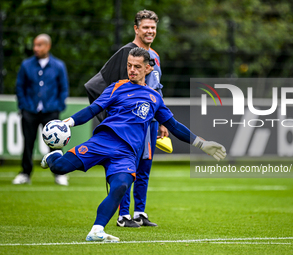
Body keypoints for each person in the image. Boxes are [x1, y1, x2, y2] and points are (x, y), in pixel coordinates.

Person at [40, 48, 226, 242]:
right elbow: (93, 109)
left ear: (148, 68)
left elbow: (174, 126)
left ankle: (97, 230)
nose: (132, 70)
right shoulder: (117, 87)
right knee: (60, 168)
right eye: (129, 66)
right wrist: (67, 123)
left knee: (120, 186)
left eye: (137, 67)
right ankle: (53, 156)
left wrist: (201, 144)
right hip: (103, 141)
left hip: (126, 153)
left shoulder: (155, 98)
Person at [84, 10, 166, 227]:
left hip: (150, 121)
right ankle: (123, 216)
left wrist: (163, 119)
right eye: (145, 27)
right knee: (126, 167)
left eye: (153, 27)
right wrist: (110, 115)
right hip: (130, 124)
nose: (150, 31)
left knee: (144, 167)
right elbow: (96, 85)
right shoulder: (126, 53)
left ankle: (139, 212)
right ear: (136, 29)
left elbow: (156, 90)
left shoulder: (154, 56)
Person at [13, 33, 69, 186]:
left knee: (55, 144)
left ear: (47, 46)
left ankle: (58, 173)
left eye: (39, 45)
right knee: (28, 143)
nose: (35, 48)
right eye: (34, 45)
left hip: (51, 111)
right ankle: (25, 173)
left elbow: (63, 89)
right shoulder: (26, 65)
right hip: (29, 111)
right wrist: (24, 107)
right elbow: (20, 87)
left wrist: (58, 106)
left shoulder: (58, 66)